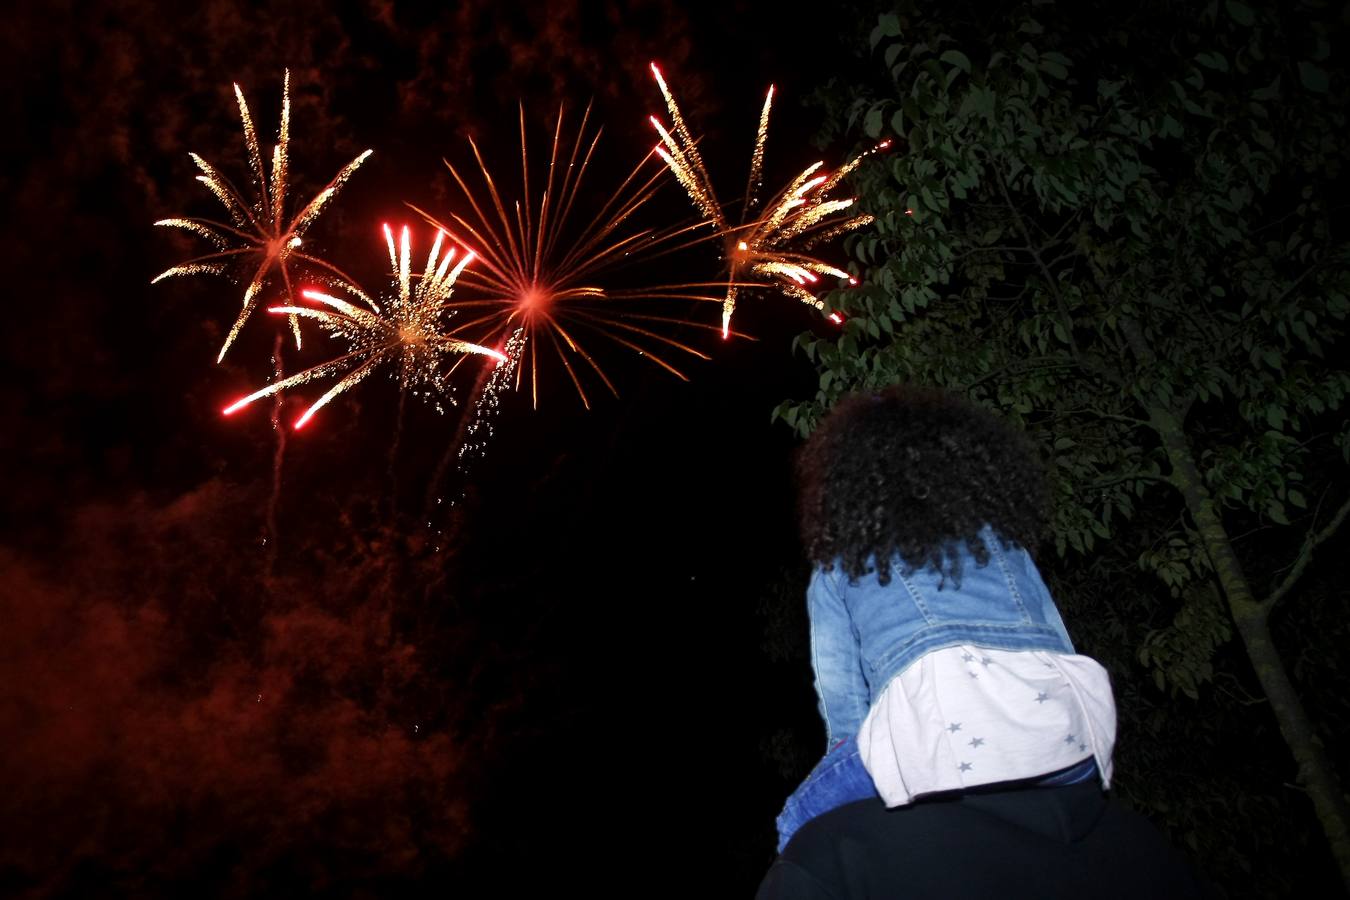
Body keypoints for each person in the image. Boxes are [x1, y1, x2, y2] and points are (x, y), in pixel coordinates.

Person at [758, 385, 1209, 898]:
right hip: (1065, 744)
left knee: (797, 823)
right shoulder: (1000, 540)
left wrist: (851, 765)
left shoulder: (842, 558)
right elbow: (1060, 647)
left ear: (846, 478)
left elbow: (842, 702)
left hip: (941, 736)